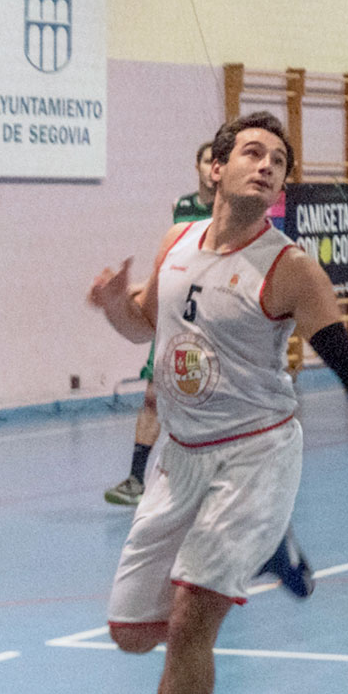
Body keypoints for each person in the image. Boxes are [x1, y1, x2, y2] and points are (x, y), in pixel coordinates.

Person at [86, 112, 348, 694]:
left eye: (278, 159)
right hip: (180, 456)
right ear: (216, 169)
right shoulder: (177, 243)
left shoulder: (290, 268)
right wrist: (111, 305)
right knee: (130, 632)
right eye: (252, 152)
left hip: (255, 456)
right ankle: (271, 547)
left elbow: (347, 360)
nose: (267, 164)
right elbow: (141, 324)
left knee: (193, 622)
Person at [106, 141, 216, 506]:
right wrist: (133, 291)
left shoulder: (228, 212)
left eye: (218, 161)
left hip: (208, 315)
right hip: (174, 310)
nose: (212, 168)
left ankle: (209, 479)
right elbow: (174, 264)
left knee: (205, 400)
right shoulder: (181, 207)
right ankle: (136, 479)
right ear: (198, 166)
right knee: (153, 395)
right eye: (206, 160)